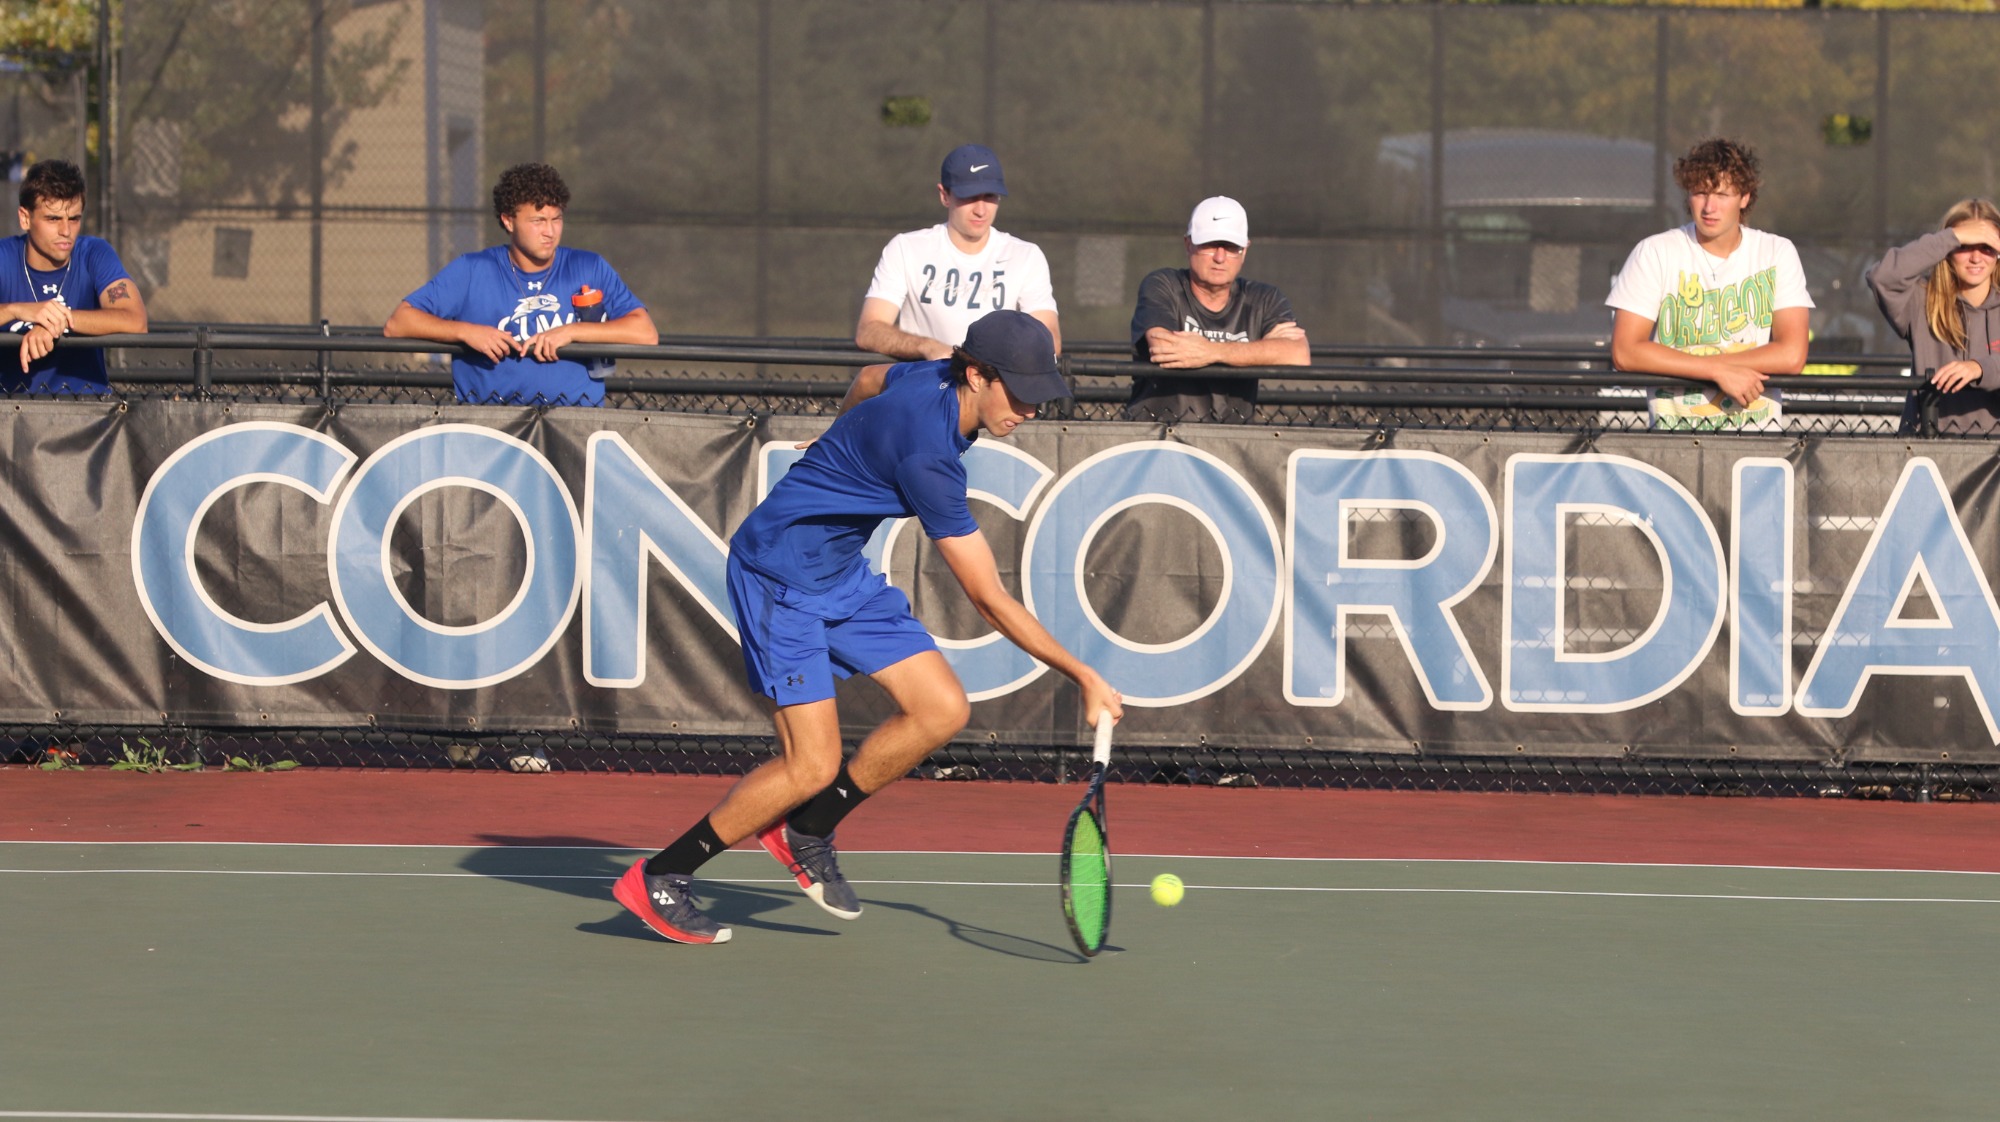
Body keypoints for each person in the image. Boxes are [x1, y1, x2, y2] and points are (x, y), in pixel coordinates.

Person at [615, 310, 1124, 945]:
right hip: (778, 578)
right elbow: (988, 598)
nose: (1031, 408)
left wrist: (833, 444)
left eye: (1039, 393)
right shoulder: (930, 457)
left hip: (840, 575)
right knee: (811, 765)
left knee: (940, 710)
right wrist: (1082, 673)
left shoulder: (932, 375)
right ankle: (662, 876)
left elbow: (868, 377)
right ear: (977, 375)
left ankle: (805, 830)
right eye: (1019, 392)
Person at [384, 162, 655, 406]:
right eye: (538, 221)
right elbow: (398, 323)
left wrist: (572, 332)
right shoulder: (472, 269)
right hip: (493, 430)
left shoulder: (589, 266)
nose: (550, 232)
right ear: (508, 220)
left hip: (572, 429)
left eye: (556, 219)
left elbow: (645, 333)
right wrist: (466, 331)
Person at [1606, 138, 1812, 422]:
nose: (1709, 207)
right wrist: (1717, 372)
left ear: (1745, 197)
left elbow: (1792, 355)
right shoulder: (1654, 252)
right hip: (1673, 442)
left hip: (1756, 444)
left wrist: (1706, 365)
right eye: (1700, 193)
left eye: (1722, 195)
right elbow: (1625, 352)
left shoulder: (1777, 252)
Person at [854, 144, 1061, 360]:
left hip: (994, 387)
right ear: (944, 195)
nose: (981, 210)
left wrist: (983, 367)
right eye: (969, 196)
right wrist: (929, 348)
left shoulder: (1026, 256)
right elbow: (869, 331)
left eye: (990, 196)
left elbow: (1049, 341)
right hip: (927, 383)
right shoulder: (906, 248)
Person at [1125, 196, 1308, 423]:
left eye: (1231, 247)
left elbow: (1297, 354)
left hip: (1230, 444)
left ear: (1245, 250)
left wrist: (1210, 351)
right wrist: (1259, 351)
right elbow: (1164, 347)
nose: (1220, 258)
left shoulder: (1264, 298)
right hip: (1160, 439)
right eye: (1210, 244)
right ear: (1188, 243)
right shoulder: (1163, 284)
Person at [0, 159, 148, 393]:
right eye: (53, 219)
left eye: (74, 219)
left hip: (89, 416)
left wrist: (57, 321)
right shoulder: (4, 256)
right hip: (11, 414)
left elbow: (135, 321)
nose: (66, 231)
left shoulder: (95, 252)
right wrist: (17, 310)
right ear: (25, 218)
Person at [1867, 198, 2000, 434]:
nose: (1976, 258)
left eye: (1987, 247)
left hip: (1993, 458)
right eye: (1965, 246)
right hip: (1928, 451)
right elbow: (1882, 277)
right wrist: (1951, 237)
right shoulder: (1922, 301)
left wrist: (1980, 368)